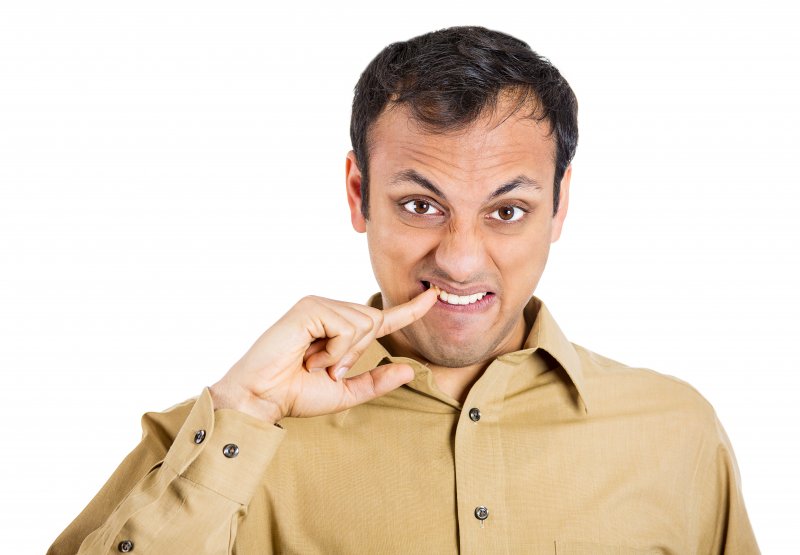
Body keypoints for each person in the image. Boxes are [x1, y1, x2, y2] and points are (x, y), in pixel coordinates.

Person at [49, 26, 759, 554]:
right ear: (360, 194)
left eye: (507, 211)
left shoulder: (676, 432)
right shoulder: (219, 438)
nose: (458, 257)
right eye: (421, 205)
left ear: (559, 204)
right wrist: (243, 413)